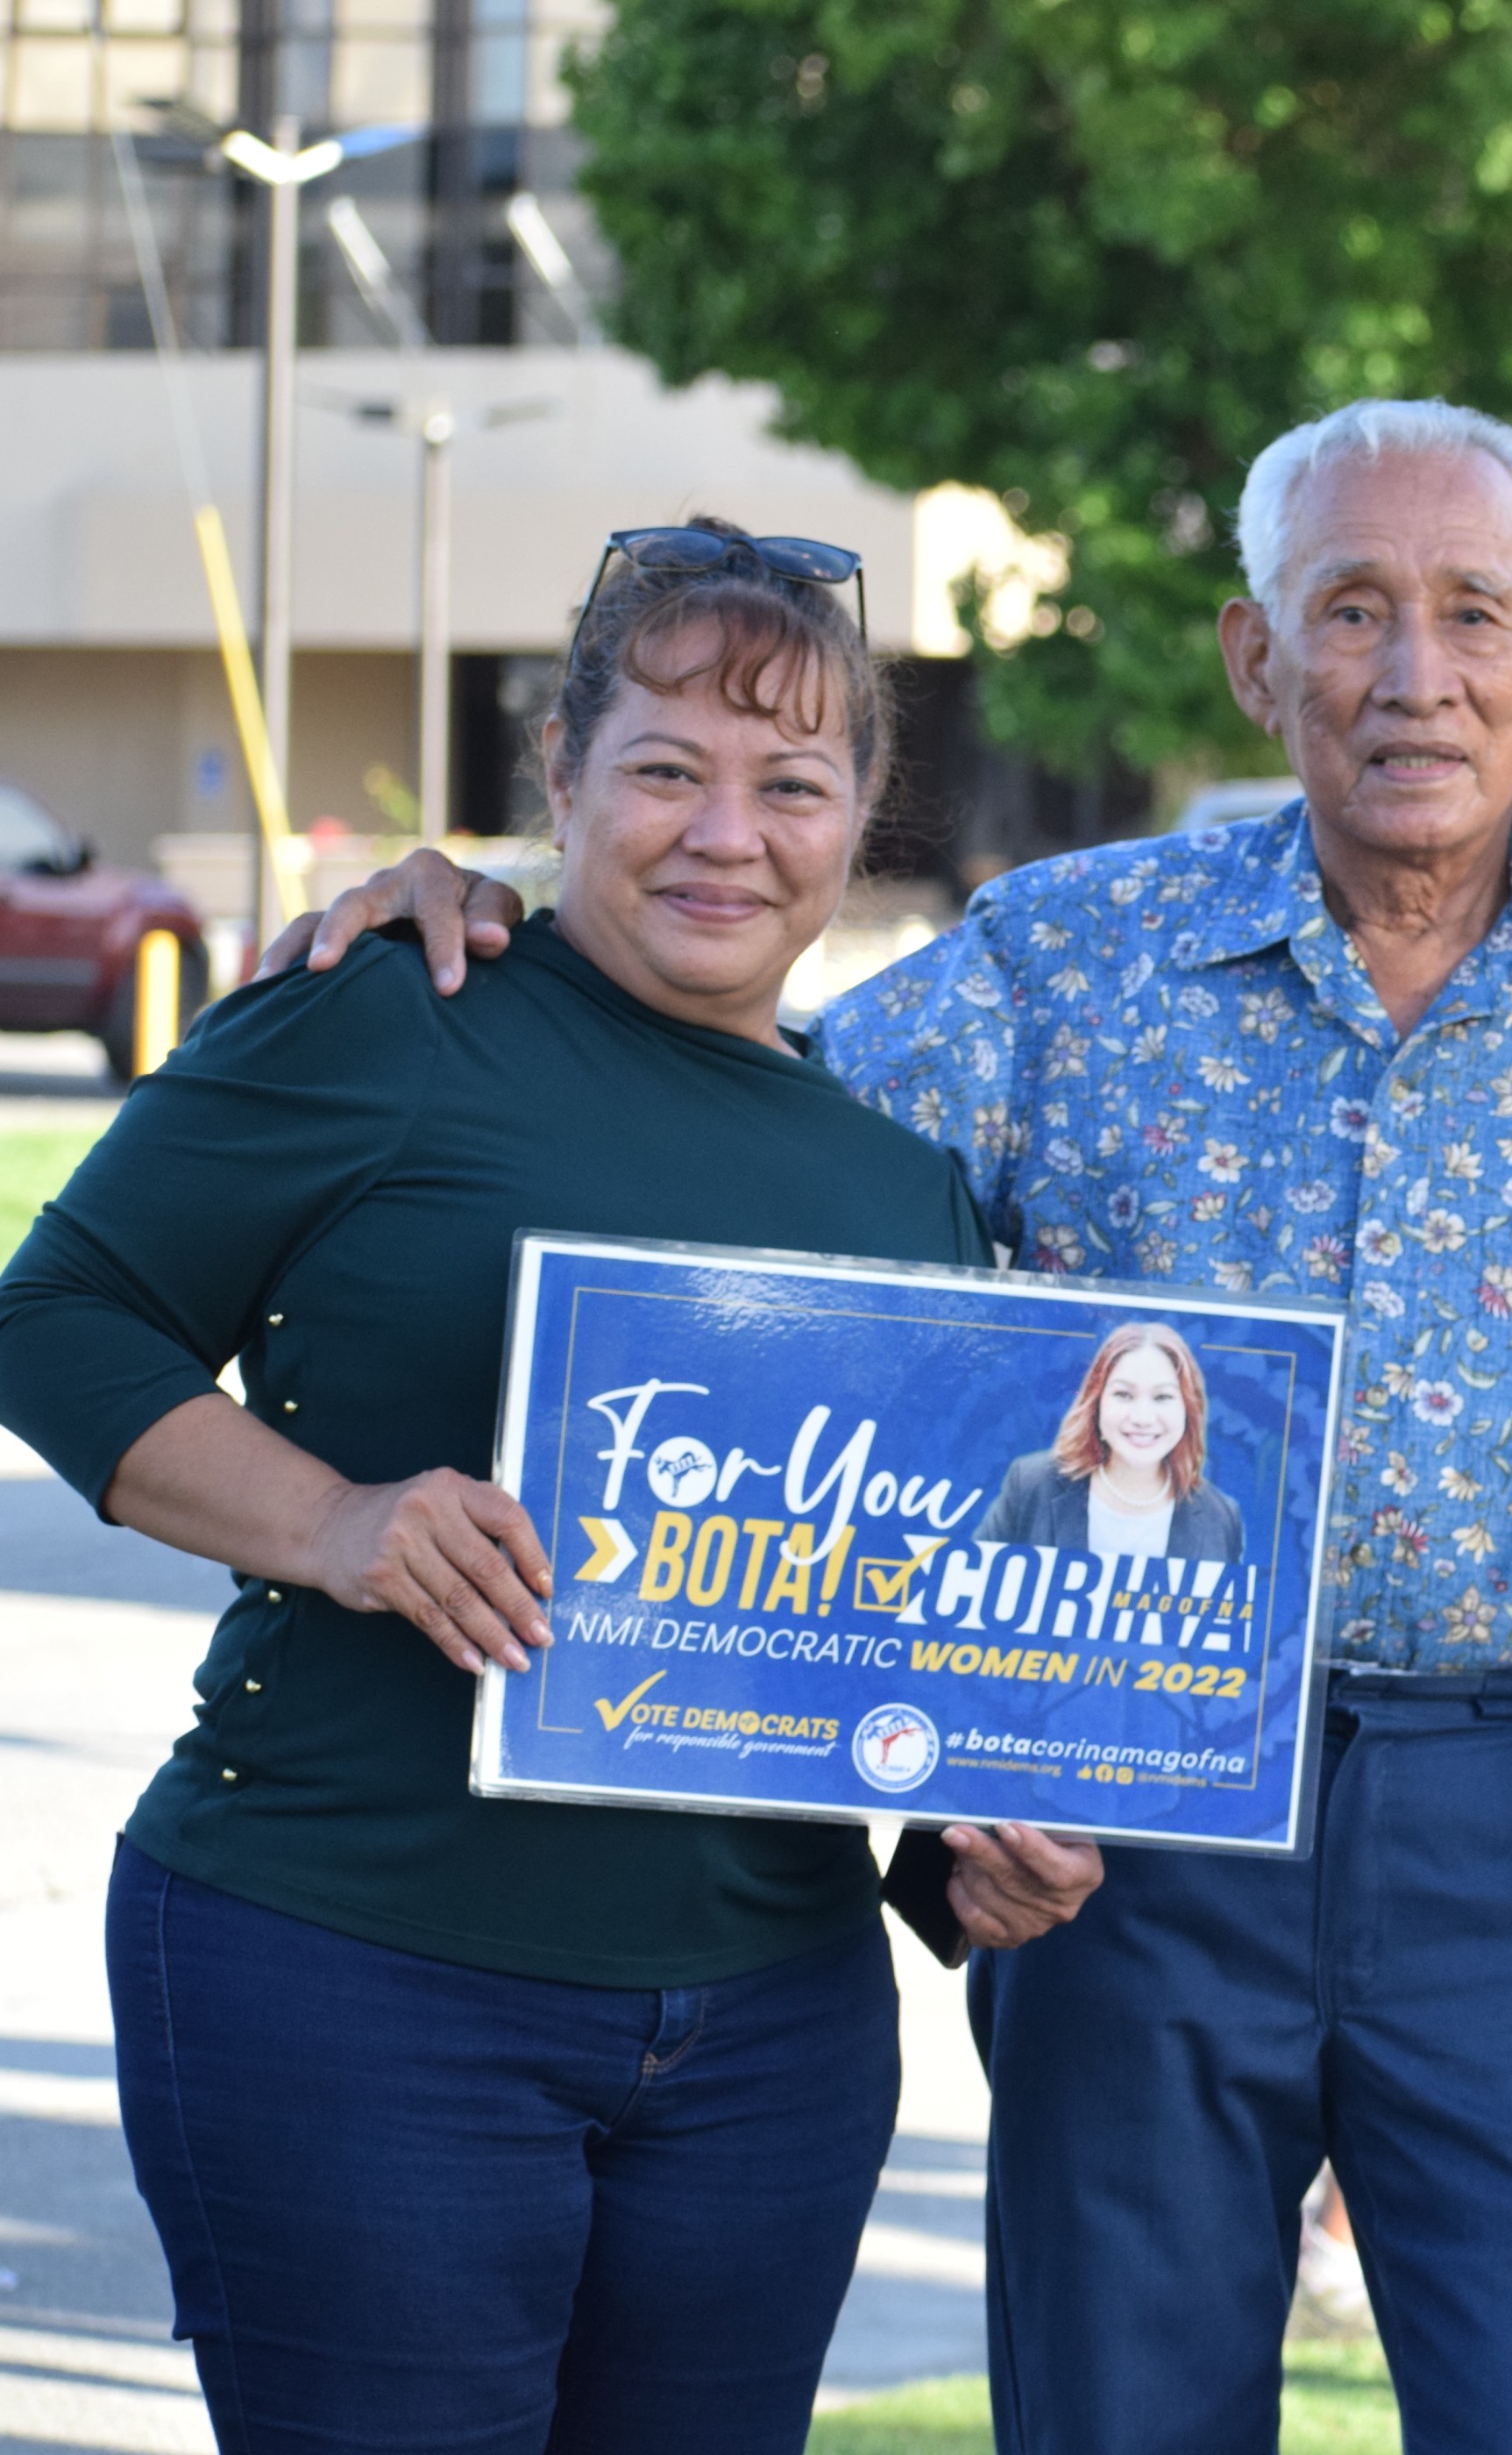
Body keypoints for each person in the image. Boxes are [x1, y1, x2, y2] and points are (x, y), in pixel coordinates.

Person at [270, 401, 1512, 2455]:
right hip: (1129, 1809)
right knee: (1122, 2414)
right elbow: (739, 1132)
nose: (1412, 671)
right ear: (1256, 661)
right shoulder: (1067, 966)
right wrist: (514, 912)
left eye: (1472, 610)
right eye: (1347, 609)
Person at [0, 520, 1103, 2450]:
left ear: (860, 822)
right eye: (666, 766)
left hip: (772, 2033)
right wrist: (340, 1522)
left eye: (793, 783)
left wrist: (966, 1847)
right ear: (561, 778)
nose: (725, 832)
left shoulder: (902, 1187)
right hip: (352, 1967)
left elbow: (883, 1637)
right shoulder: (391, 1007)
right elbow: (60, 1315)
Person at [976, 1319, 1245, 1562]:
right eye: (1124, 1395)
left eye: (1162, 1397)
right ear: (1097, 1401)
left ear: (1188, 1408)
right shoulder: (1031, 1484)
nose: (1142, 1418)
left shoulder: (1220, 1517)